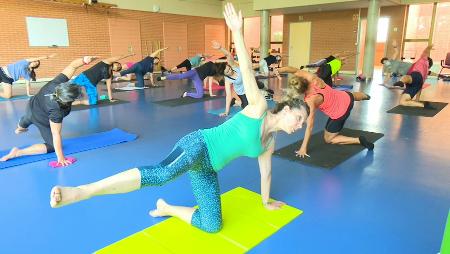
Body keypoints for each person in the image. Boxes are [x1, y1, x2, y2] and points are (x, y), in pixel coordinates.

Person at [48, 3, 309, 234]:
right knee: (162, 174)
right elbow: (247, 72)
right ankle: (82, 191)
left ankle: (167, 208)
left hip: (208, 168)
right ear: (286, 110)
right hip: (199, 145)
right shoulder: (259, 107)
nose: (299, 126)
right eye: (299, 118)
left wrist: (266, 201)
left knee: (212, 225)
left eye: (302, 123)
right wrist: (238, 33)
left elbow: (267, 172)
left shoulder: (269, 142)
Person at [0, 56, 97, 166]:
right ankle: (18, 152)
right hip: (40, 118)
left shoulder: (56, 83)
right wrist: (61, 158)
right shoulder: (57, 111)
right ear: (69, 100)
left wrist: (85, 60)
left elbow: (72, 66)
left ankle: (20, 127)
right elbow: (56, 134)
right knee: (50, 145)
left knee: (26, 119)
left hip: (31, 105)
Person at [275, 66, 373, 157]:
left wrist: (303, 148)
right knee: (354, 96)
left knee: (329, 139)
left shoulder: (311, 100)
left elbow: (310, 126)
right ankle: (366, 96)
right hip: (344, 96)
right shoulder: (312, 78)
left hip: (340, 112)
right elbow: (295, 70)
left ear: (300, 92)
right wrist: (280, 69)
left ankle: (358, 140)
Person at [211, 40, 248, 116]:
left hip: (249, 87)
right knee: (247, 108)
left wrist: (220, 48)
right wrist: (226, 112)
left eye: (229, 68)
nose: (230, 71)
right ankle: (236, 102)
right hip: (242, 92)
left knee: (259, 87)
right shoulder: (228, 80)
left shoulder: (233, 66)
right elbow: (228, 96)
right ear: (224, 74)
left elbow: (228, 55)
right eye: (228, 72)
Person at [159, 61, 227, 99]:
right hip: (194, 72)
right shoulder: (210, 63)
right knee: (180, 76)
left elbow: (210, 81)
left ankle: (186, 94)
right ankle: (164, 77)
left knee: (200, 95)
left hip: (198, 79)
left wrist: (211, 93)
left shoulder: (214, 72)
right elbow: (218, 62)